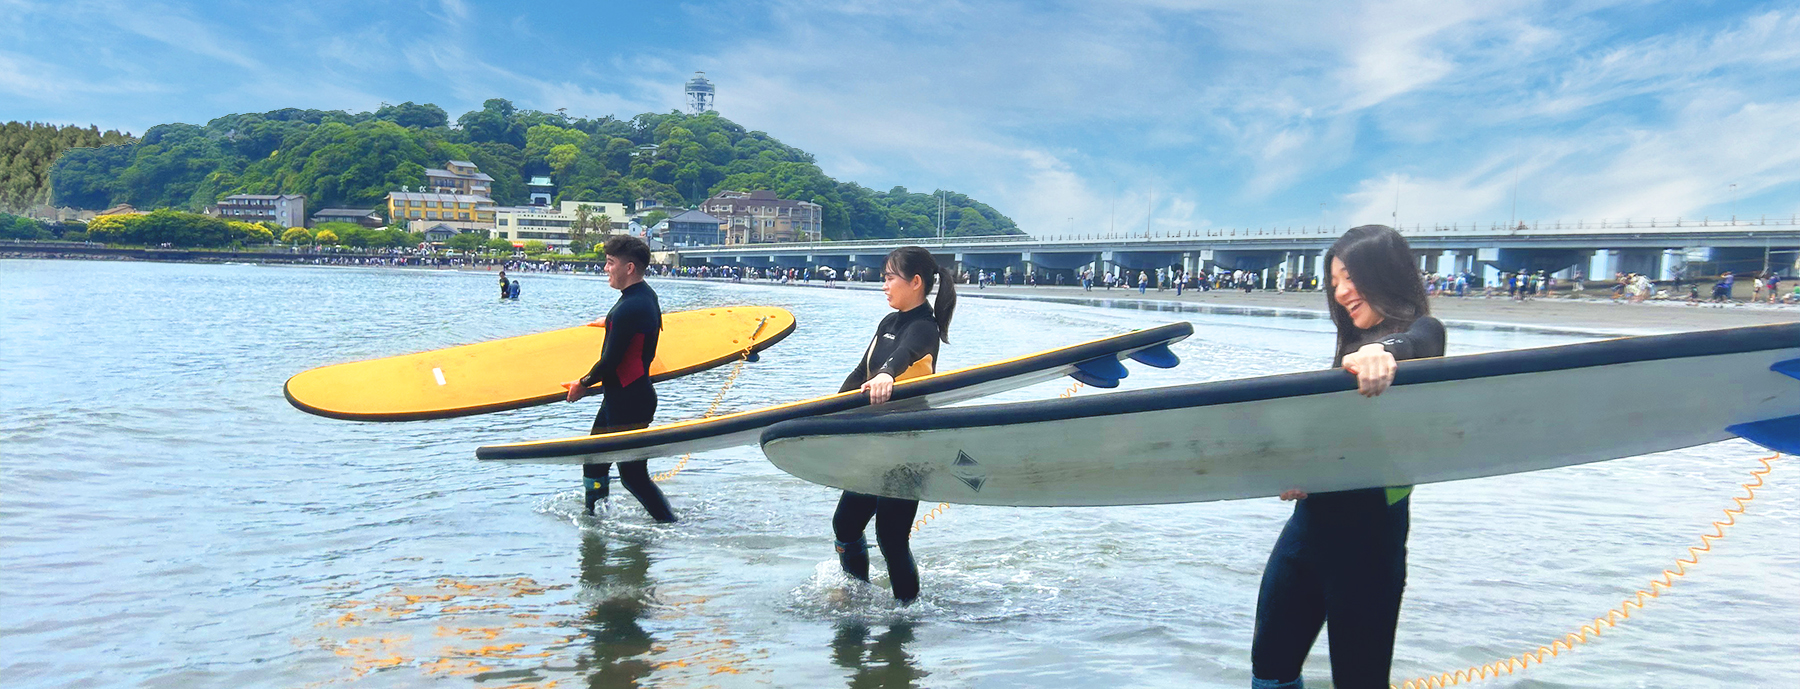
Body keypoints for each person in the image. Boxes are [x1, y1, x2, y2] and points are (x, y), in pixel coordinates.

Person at [1251, 224, 1445, 689]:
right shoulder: (1349, 347)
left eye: (1349, 278)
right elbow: (1334, 440)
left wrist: (1384, 352)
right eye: (1334, 281)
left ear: (1384, 273)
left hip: (1370, 546)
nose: (1340, 292)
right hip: (1308, 529)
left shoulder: (1422, 336)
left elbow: (1416, 342)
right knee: (1269, 670)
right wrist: (1301, 472)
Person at [832, 246, 957, 605]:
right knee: (846, 525)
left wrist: (888, 374)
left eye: (889, 278)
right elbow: (860, 372)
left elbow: (904, 355)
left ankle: (906, 613)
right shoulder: (888, 322)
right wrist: (823, 411)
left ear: (915, 282)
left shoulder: (924, 327)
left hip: (907, 447)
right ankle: (857, 596)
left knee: (890, 537)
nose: (883, 285)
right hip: (875, 444)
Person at [564, 235, 676, 523]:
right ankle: (595, 520)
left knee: (633, 476)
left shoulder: (629, 308)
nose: (605, 268)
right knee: (595, 463)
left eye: (610, 263)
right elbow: (637, 328)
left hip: (629, 400)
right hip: (624, 397)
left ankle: (669, 524)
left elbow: (610, 362)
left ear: (628, 268)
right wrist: (610, 324)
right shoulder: (642, 297)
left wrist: (582, 383)